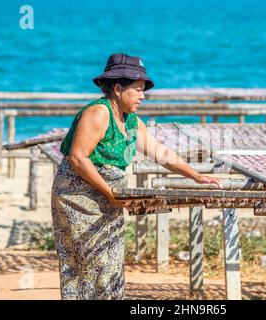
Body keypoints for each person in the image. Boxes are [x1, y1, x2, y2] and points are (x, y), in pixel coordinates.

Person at [51, 53, 222, 300]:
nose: (142, 96)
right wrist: (109, 192)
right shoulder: (99, 113)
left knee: (109, 260)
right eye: (138, 90)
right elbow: (78, 158)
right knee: (89, 263)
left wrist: (195, 175)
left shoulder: (130, 120)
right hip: (78, 199)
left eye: (144, 91)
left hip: (108, 198)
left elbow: (161, 153)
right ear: (118, 89)